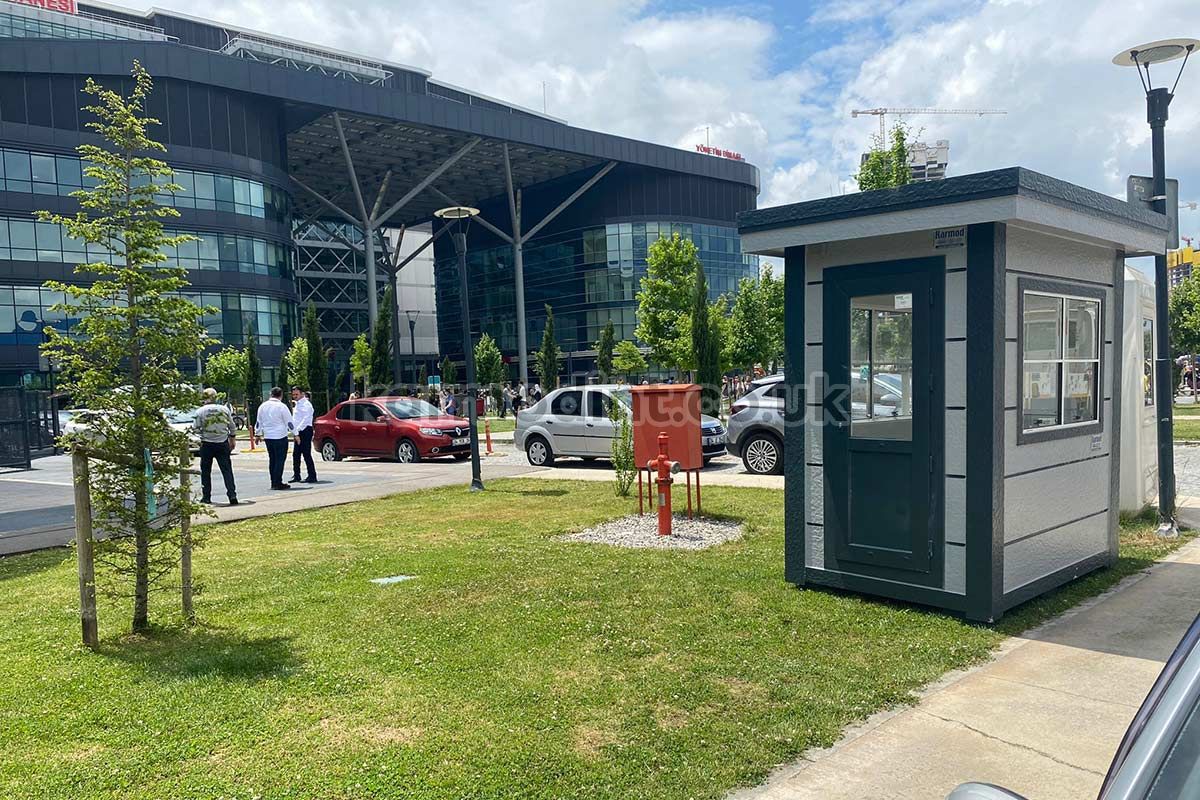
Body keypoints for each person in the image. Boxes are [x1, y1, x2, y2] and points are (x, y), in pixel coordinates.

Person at [192, 388, 238, 506]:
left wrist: (202, 436)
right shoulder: (224, 410)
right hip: (222, 443)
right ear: (216, 397)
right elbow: (232, 426)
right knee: (227, 470)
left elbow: (195, 428)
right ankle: (232, 494)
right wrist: (232, 439)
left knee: (206, 471)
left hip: (207, 443)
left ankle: (206, 496)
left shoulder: (200, 411)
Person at [256, 386, 294, 490]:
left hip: (268, 436)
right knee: (280, 460)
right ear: (281, 395)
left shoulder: (262, 406)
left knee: (272, 459)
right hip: (280, 436)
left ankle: (273, 481)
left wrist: (257, 434)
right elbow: (289, 422)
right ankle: (278, 482)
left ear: (270, 394)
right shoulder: (282, 406)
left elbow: (259, 422)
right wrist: (296, 433)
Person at [290, 386, 317, 484]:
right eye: (293, 394)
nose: (295, 396)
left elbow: (306, 419)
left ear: (302, 393)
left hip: (304, 430)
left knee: (306, 453)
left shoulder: (306, 404)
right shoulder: (298, 404)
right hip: (297, 431)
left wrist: (298, 430)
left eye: (296, 394)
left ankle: (312, 475)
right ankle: (296, 475)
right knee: (296, 454)